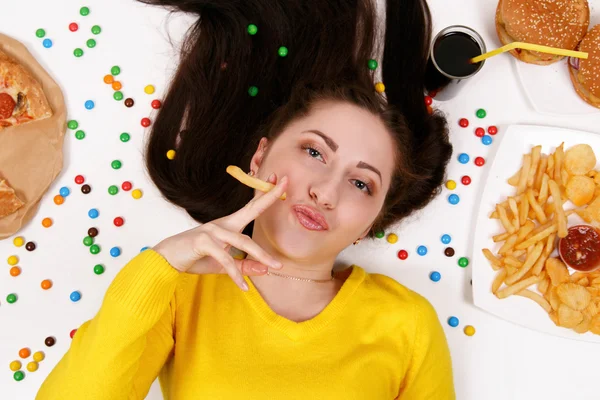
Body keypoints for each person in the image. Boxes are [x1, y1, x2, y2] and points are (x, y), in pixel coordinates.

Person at [37, 0, 454, 399]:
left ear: (370, 224)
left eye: (362, 184)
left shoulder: (408, 324)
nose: (325, 192)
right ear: (259, 158)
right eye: (313, 152)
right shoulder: (181, 292)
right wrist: (160, 264)